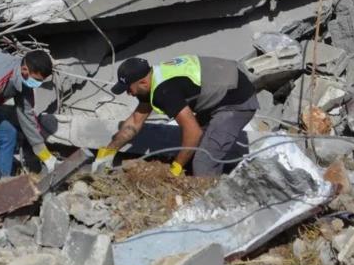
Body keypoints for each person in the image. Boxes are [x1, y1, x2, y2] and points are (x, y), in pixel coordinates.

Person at [92, 55, 258, 176]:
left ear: (143, 82)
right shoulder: (152, 80)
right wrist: (109, 151)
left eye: (129, 89)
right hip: (219, 91)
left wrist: (176, 168)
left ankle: (212, 208)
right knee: (193, 148)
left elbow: (194, 133)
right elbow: (135, 121)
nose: (128, 93)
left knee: (203, 162)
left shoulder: (164, 91)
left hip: (236, 101)